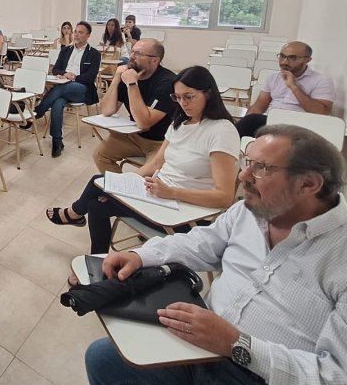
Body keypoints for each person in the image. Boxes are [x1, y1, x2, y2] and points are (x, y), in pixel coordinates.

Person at [85, 125, 347, 385]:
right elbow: (201, 243)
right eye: (247, 162)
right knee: (102, 362)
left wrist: (236, 344)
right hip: (198, 349)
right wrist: (144, 255)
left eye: (260, 168)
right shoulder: (251, 211)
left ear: (309, 184)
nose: (243, 176)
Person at [46, 66, 239, 253]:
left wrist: (172, 192)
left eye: (189, 97)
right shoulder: (181, 122)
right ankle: (98, 263)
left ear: (208, 93)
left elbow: (225, 197)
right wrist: (123, 185)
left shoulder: (221, 130)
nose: (183, 103)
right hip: (160, 196)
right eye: (177, 97)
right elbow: (156, 163)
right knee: (97, 202)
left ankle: (74, 214)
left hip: (186, 214)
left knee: (96, 185)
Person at [92, 38, 176, 174]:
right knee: (100, 155)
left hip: (161, 142)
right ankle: (117, 190)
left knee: (150, 176)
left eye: (138, 54)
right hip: (134, 136)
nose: (131, 56)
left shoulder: (167, 82)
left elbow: (144, 123)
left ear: (155, 60)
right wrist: (116, 79)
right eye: (132, 51)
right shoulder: (128, 74)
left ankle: (126, 189)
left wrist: (132, 84)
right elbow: (107, 110)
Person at [236, 41, 335, 137]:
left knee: (251, 122)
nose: (284, 62)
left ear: (307, 59)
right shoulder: (273, 78)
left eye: (292, 58)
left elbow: (322, 113)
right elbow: (258, 107)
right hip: (271, 121)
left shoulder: (321, 81)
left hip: (300, 126)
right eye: (282, 56)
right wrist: (244, 120)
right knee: (244, 124)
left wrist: (293, 86)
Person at [32, 21, 100, 158]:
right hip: (64, 85)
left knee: (64, 87)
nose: (77, 34)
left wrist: (73, 77)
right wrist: (63, 74)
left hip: (82, 89)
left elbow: (90, 76)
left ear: (88, 35)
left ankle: (37, 112)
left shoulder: (94, 54)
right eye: (76, 31)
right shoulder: (66, 50)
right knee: (58, 102)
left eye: (81, 32)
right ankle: (57, 141)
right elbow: (56, 68)